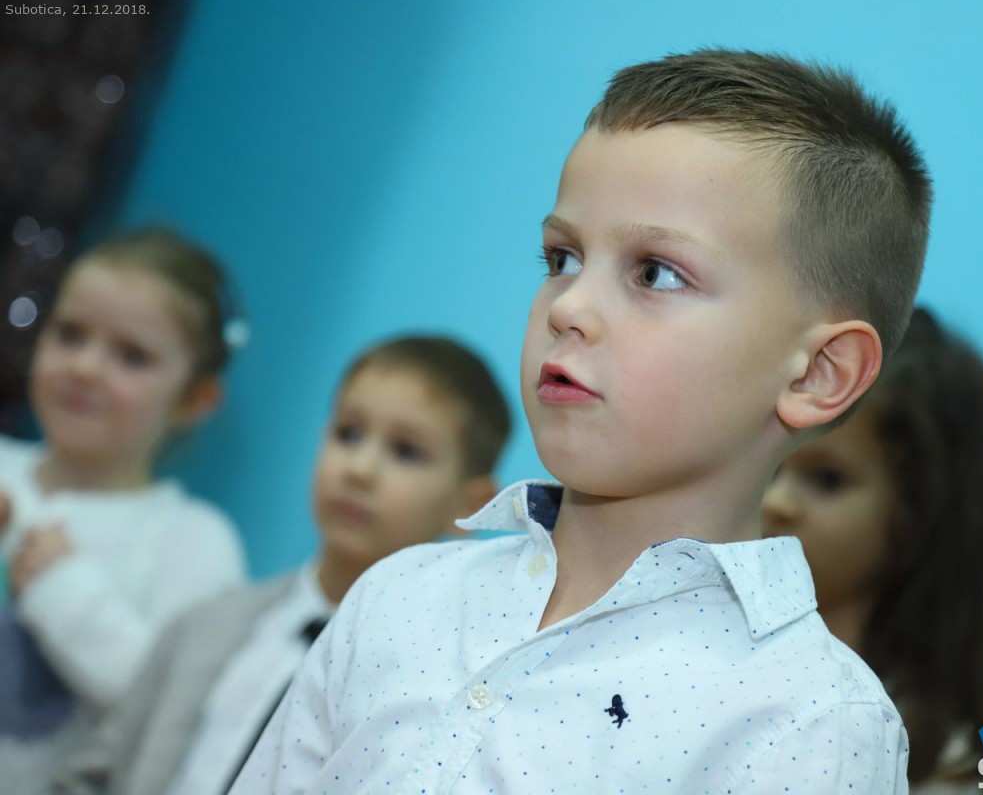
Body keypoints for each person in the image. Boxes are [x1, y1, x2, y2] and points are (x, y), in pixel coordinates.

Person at [233, 48, 933, 793]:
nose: (568, 307)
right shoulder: (398, 598)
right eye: (562, 258)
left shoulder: (812, 722)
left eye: (655, 273)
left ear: (818, 373)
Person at [51, 335, 511, 795]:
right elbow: (93, 776)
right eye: (349, 433)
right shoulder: (205, 627)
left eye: (405, 451)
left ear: (470, 505)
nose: (360, 469)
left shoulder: (435, 690)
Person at [0, 229, 248, 793]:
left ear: (195, 399)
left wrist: (60, 587)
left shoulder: (191, 540)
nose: (85, 367)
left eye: (131, 355)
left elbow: (166, 714)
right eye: (70, 334)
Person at [762, 307, 983, 790]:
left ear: (919, 512)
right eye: (770, 465)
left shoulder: (929, 764)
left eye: (827, 479)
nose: (775, 501)